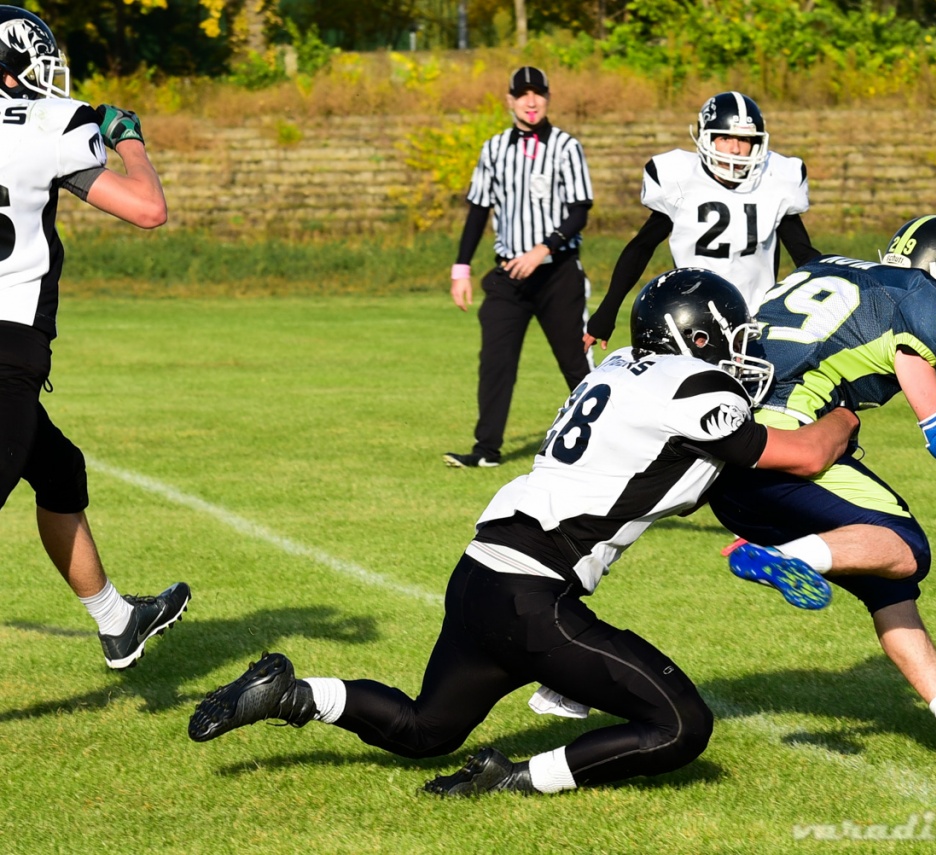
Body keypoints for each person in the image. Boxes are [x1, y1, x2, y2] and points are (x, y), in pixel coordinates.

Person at [188, 269, 860, 797]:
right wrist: (843, 414)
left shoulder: (622, 365)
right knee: (682, 726)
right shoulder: (692, 387)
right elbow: (804, 454)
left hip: (483, 569)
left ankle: (291, 692)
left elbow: (674, 480)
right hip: (533, 594)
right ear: (696, 340)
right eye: (729, 338)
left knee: (427, 728)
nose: (742, 354)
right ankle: (513, 777)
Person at [709, 215, 936, 773]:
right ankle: (783, 557)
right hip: (789, 443)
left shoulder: (830, 270)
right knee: (905, 548)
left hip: (725, 443)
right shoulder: (917, 303)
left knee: (887, 587)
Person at [0, 6, 190, 669]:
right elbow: (148, 208)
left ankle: (118, 622)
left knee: (58, 469)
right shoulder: (50, 125)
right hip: (8, 346)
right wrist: (128, 136)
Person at [583, 91, 819, 352]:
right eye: (725, 137)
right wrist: (608, 309)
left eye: (745, 139)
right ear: (706, 138)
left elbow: (804, 255)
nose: (736, 149)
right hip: (691, 321)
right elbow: (641, 247)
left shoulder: (774, 182)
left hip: (753, 321)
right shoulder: (682, 180)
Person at [444, 66, 594, 469]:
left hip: (556, 273)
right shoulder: (493, 149)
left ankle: (604, 446)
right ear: (509, 99)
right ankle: (486, 450)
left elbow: (580, 211)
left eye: (538, 94)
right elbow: (478, 210)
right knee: (495, 361)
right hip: (509, 275)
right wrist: (461, 268)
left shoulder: (565, 147)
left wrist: (542, 249)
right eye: (522, 94)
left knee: (576, 365)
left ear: (547, 98)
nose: (531, 101)